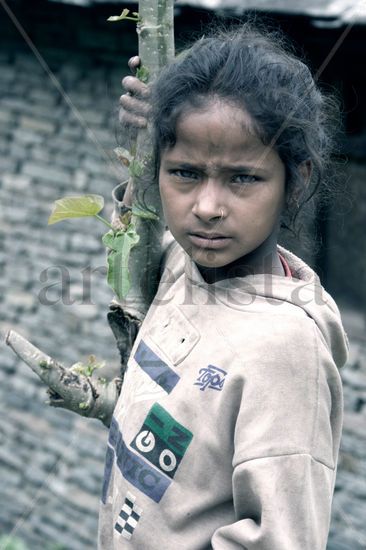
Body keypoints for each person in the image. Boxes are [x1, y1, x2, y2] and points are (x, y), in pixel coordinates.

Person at [99, 24, 349, 549]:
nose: (208, 207)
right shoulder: (182, 267)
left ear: (295, 181)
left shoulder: (284, 351)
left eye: (243, 178)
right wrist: (141, 147)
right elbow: (141, 235)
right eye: (185, 173)